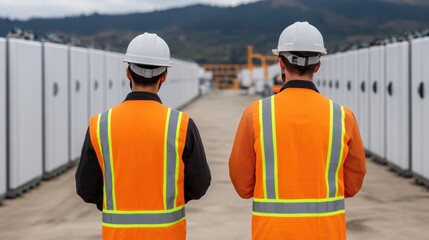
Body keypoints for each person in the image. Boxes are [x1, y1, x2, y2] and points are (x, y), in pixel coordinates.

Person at [229, 22, 366, 240]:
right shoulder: (342, 116)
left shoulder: (256, 114)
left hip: (271, 233)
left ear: (281, 62)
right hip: (327, 233)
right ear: (318, 65)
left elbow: (242, 185)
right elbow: (352, 185)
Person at [76, 33, 211, 240]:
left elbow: (86, 188)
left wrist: (114, 204)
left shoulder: (101, 124)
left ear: (128, 73)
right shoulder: (180, 125)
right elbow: (199, 184)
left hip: (117, 235)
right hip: (168, 234)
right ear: (164, 76)